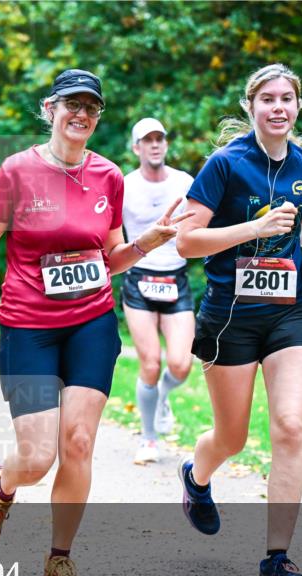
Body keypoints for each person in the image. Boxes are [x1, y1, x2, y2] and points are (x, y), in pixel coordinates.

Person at [0, 68, 190, 576]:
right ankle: (1, 491)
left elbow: (110, 257)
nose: (81, 114)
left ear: (98, 118)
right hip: (28, 327)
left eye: (91, 107)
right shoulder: (16, 171)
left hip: (92, 324)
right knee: (36, 456)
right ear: (49, 109)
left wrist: (148, 242)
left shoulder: (108, 176)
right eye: (71, 104)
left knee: (78, 444)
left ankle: (59, 563)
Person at [175, 63, 302, 576]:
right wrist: (254, 228)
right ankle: (196, 475)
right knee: (233, 437)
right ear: (251, 106)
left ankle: (277, 561)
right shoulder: (224, 165)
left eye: (287, 98)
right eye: (268, 99)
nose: (278, 107)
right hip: (230, 316)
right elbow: (186, 243)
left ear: (298, 106)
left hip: (291, 310)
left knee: (291, 426)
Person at [121, 118, 196, 464]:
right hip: (139, 278)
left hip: (175, 278)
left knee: (180, 365)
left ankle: (162, 396)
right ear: (136, 148)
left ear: (166, 144)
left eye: (159, 139)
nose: (154, 145)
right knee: (150, 363)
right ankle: (149, 439)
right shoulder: (124, 186)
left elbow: (199, 227)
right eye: (146, 140)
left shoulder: (184, 182)